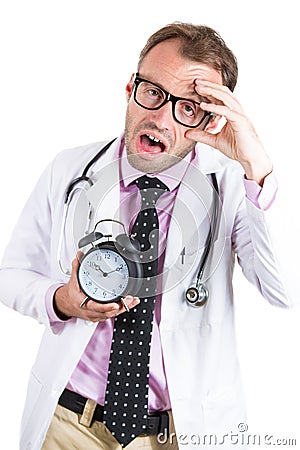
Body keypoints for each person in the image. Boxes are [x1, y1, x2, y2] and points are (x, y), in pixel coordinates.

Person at [0, 22, 292, 450]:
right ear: (130, 87)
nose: (159, 115)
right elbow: (11, 273)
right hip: (69, 425)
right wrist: (61, 300)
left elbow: (285, 290)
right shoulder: (70, 169)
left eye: (189, 107)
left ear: (213, 119)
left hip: (183, 431)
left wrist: (257, 166)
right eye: (152, 91)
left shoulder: (232, 187)